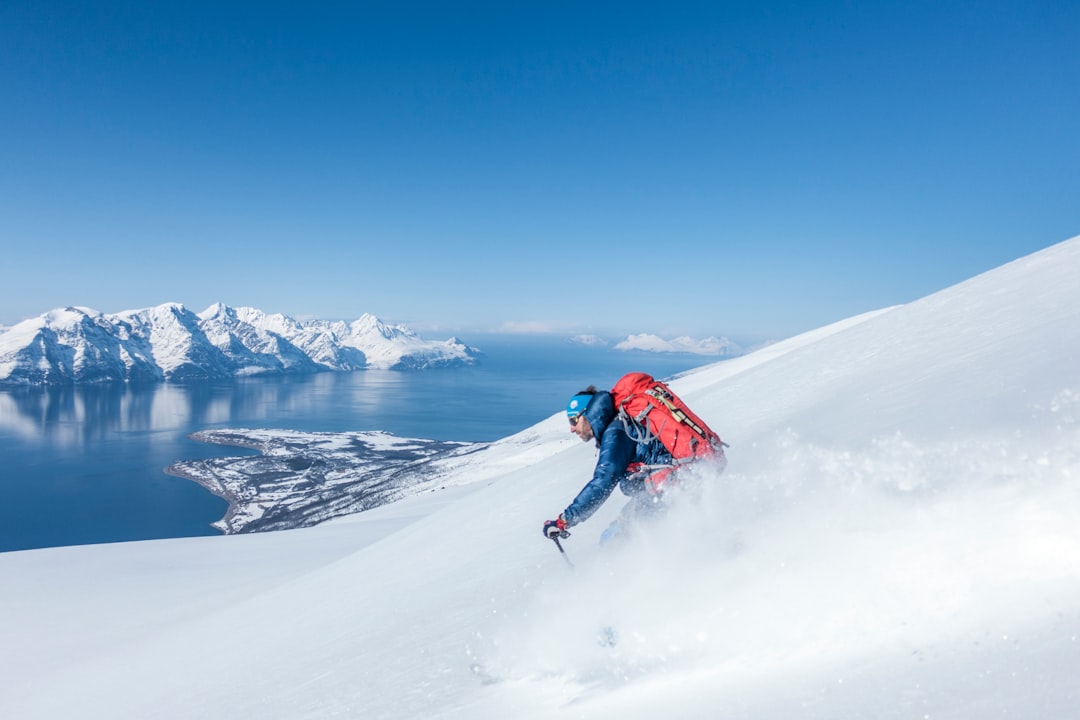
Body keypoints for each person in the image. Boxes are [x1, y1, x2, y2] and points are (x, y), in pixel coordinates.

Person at [542, 385, 675, 544]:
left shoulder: (615, 433)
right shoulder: (619, 427)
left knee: (615, 541)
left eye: (573, 420)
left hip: (667, 489)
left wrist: (564, 521)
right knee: (615, 531)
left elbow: (603, 482)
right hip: (662, 488)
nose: (571, 429)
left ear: (587, 415)